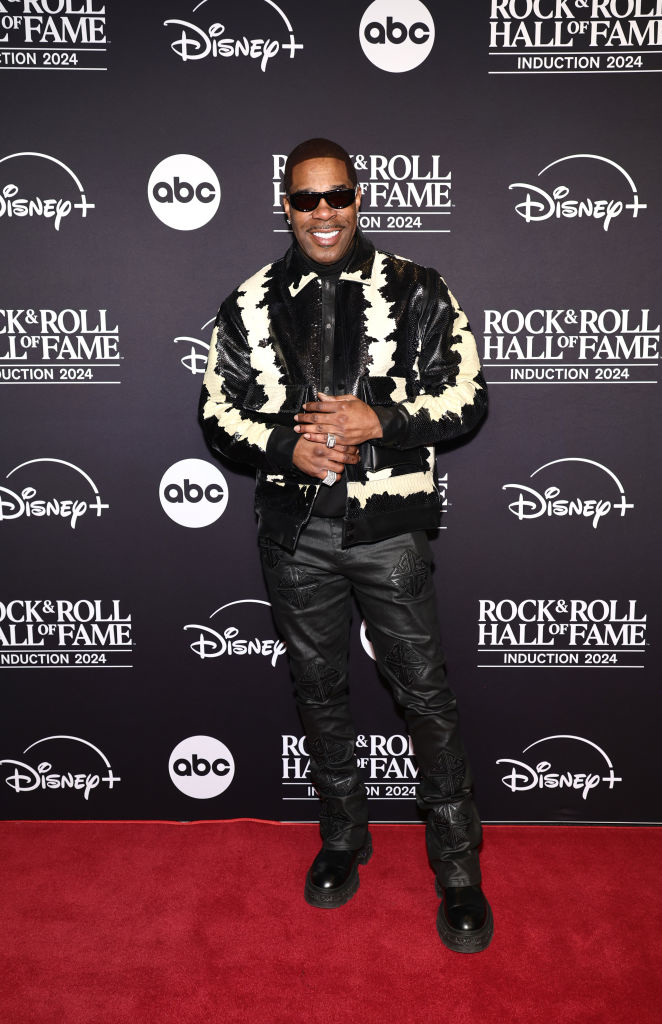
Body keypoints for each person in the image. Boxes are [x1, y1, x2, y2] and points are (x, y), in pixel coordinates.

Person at [200, 138, 492, 953]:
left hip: (387, 530)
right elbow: (216, 411)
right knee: (319, 693)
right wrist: (279, 446)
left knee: (425, 700)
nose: (322, 213)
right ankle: (342, 839)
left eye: (336, 196)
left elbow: (468, 397)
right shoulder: (249, 302)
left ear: (358, 198)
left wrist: (383, 422)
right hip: (295, 533)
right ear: (285, 205)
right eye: (305, 199)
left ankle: (460, 871)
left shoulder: (418, 289)